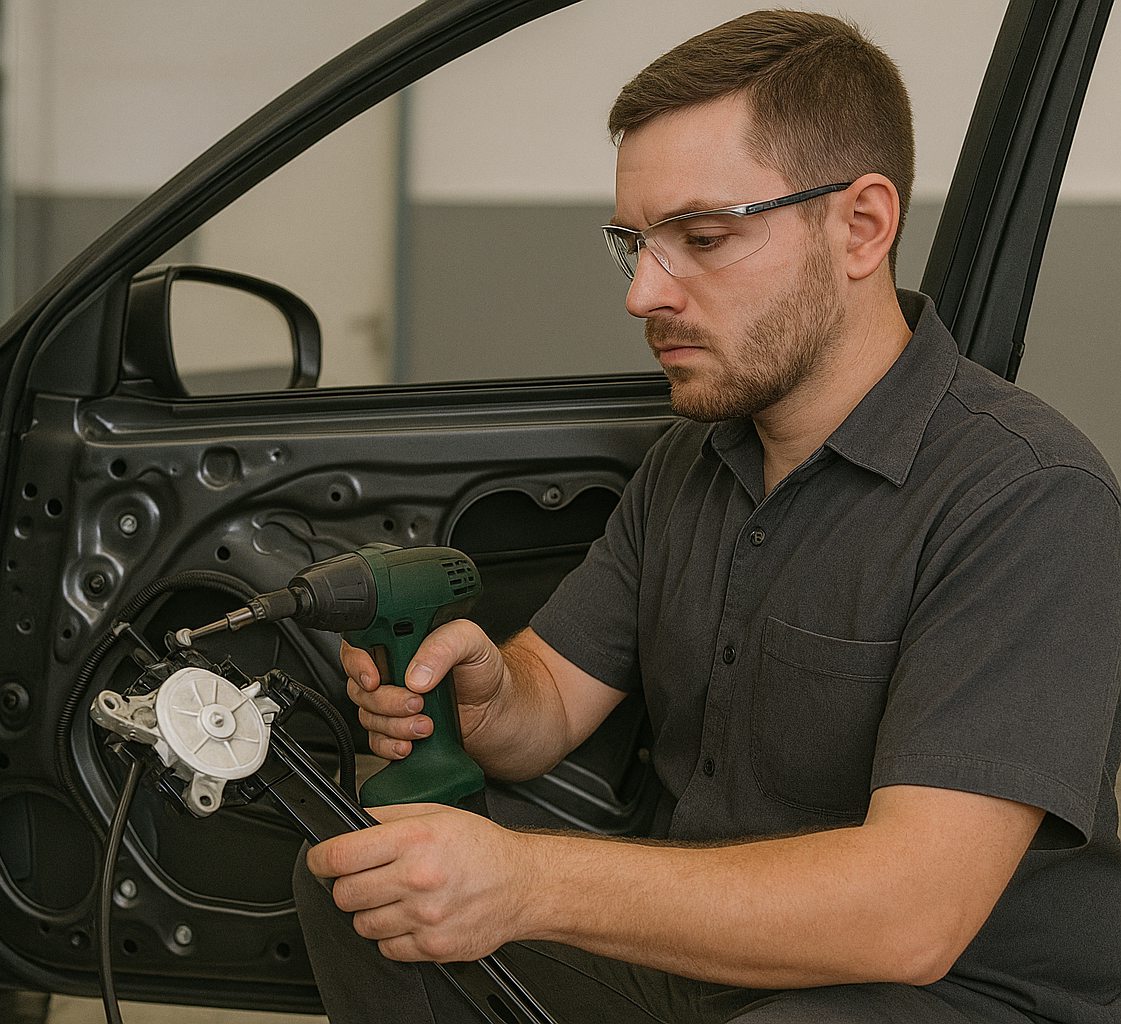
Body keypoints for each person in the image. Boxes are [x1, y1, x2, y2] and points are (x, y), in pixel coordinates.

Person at [291, 10, 1121, 1024]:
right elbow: (549, 701)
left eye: (703, 238)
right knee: (366, 884)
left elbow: (914, 916)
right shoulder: (696, 459)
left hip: (943, 989)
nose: (645, 291)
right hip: (706, 948)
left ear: (860, 226)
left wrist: (528, 881)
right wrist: (489, 690)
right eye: (634, 242)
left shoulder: (1025, 499)